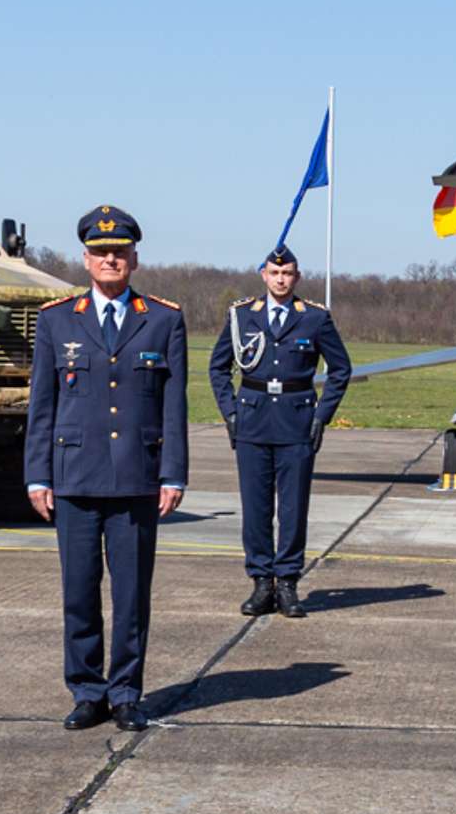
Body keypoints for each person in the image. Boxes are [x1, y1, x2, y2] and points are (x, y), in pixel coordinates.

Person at [25, 205, 187, 731]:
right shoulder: (55, 319)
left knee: (132, 594)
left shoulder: (162, 319)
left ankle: (126, 693)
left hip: (138, 477)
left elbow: (173, 403)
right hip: (74, 475)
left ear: (134, 258)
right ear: (86, 259)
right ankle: (86, 691)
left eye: (119, 252)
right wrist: (38, 474)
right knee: (79, 590)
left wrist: (173, 473)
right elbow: (42, 406)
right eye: (100, 253)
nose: (110, 260)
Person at [207, 243, 350, 619]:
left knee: (292, 508)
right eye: (274, 272)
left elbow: (341, 368)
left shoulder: (314, 318)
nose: (281, 279)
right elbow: (218, 367)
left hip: (296, 421)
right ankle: (260, 582)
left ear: (297, 277)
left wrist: (322, 415)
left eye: (287, 273)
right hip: (251, 421)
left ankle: (287, 583)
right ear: (264, 275)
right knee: (255, 508)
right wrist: (230, 411)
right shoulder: (241, 315)